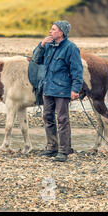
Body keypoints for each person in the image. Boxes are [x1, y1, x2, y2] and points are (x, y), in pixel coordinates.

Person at [31, 20, 83, 162]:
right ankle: (52, 147)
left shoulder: (71, 48)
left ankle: (64, 150)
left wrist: (75, 89)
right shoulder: (47, 45)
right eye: (51, 29)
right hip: (47, 88)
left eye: (53, 29)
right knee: (47, 117)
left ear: (61, 32)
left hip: (62, 89)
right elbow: (35, 60)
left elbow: (77, 70)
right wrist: (41, 45)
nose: (50, 31)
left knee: (62, 119)